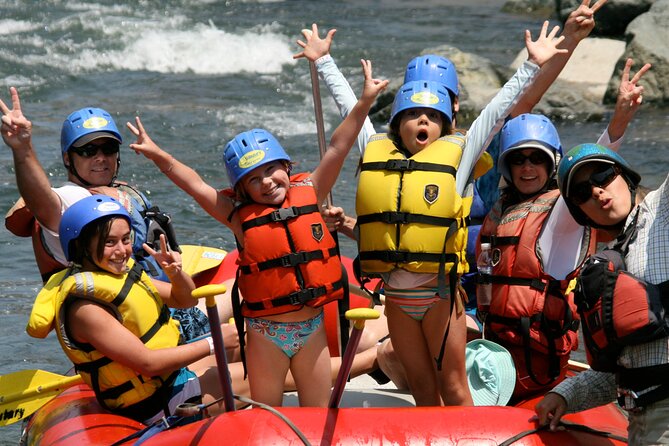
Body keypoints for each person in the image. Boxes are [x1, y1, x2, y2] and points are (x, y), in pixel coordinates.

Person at [295, 0, 607, 392]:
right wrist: (324, 63)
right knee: (403, 365)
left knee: (425, 371)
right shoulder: (379, 151)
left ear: (451, 108)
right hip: (400, 294)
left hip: (465, 298)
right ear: (398, 117)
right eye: (412, 110)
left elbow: (510, 108)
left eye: (435, 107)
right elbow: (354, 121)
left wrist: (560, 47)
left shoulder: (473, 158)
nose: (422, 117)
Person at [125, 59, 388, 407]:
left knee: (316, 412)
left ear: (287, 167)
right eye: (253, 178)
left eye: (271, 170)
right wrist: (159, 155)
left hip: (311, 330)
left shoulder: (312, 189)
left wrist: (365, 100)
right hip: (265, 335)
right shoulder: (237, 216)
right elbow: (195, 185)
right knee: (269, 415)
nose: (266, 182)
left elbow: (339, 146)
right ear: (242, 189)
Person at [0, 92, 209, 341]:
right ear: (68, 158)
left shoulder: (120, 190)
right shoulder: (71, 203)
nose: (100, 157)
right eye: (88, 150)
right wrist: (23, 149)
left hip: (162, 301)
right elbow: (42, 201)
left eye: (108, 148)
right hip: (136, 328)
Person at [27, 195, 226, 425]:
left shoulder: (121, 275)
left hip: (168, 379)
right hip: (154, 403)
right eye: (109, 242)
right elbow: (147, 364)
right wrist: (213, 343)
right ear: (81, 247)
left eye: (125, 239)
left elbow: (185, 300)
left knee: (251, 350)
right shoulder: (86, 309)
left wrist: (175, 273)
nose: (122, 251)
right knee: (263, 374)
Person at [534, 140, 669, 445]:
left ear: (625, 176)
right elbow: (623, 370)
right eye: (582, 193)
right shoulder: (607, 267)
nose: (596, 191)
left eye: (603, 176)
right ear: (580, 212)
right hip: (644, 423)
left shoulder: (663, 213)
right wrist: (565, 395)